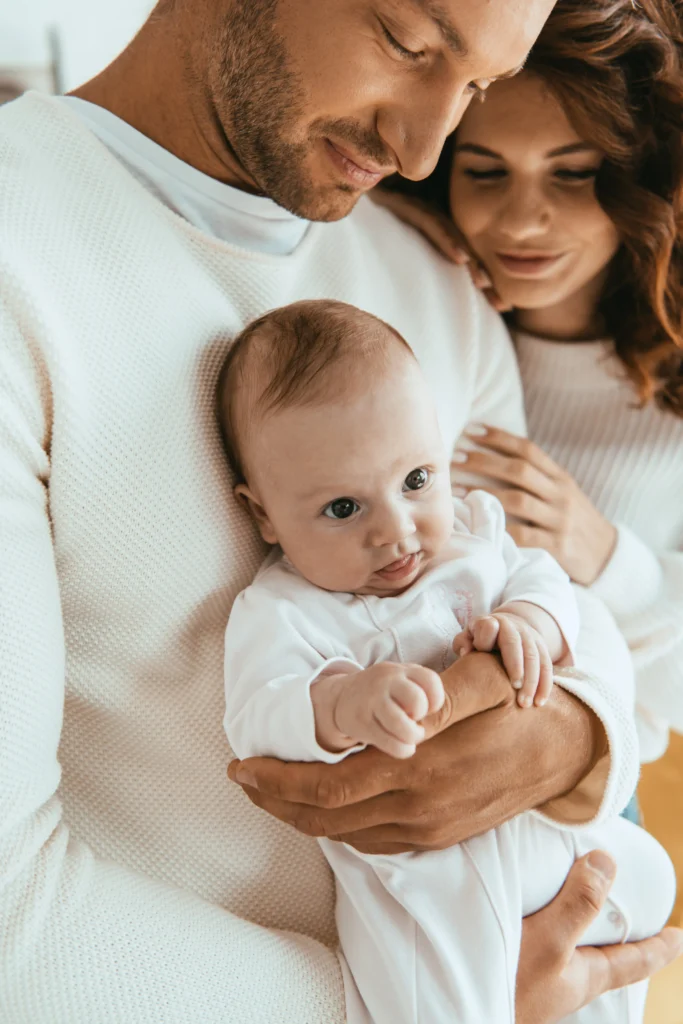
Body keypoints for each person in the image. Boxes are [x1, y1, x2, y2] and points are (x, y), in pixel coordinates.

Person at [1, 0, 681, 1021]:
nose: (422, 152)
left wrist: (579, 738)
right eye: (409, 43)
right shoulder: (21, 264)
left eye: (475, 87)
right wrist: (434, 1002)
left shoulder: (434, 280)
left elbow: (540, 597)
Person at [219, 298, 675, 1024]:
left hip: (541, 831)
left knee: (648, 879)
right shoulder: (281, 611)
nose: (395, 530)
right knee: (435, 1002)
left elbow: (546, 581)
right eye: (343, 508)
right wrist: (341, 703)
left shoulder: (473, 532)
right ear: (263, 513)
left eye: (415, 480)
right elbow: (258, 712)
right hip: (422, 887)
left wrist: (527, 623)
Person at [374, 0, 683, 772]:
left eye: (572, 174)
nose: (519, 221)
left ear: (637, 180)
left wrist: (606, 557)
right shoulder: (418, 325)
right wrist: (387, 222)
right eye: (484, 172)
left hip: (590, 788)